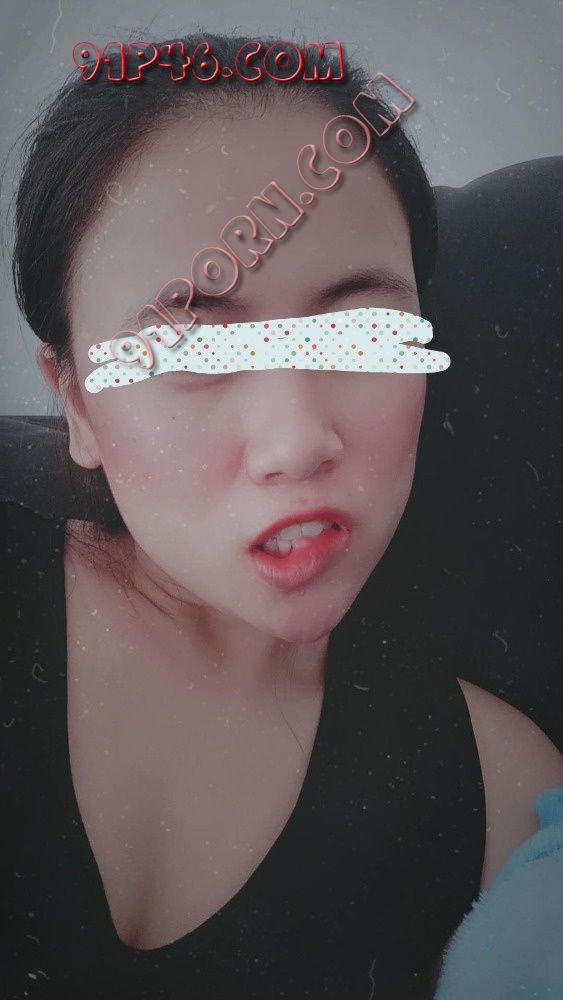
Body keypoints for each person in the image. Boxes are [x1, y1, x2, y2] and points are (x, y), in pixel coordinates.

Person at [2, 31, 562, 1000]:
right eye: (192, 352)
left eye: (359, 333)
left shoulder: (501, 804)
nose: (297, 441)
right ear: (79, 403)